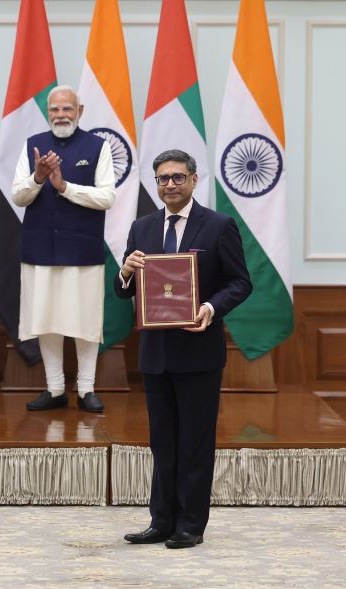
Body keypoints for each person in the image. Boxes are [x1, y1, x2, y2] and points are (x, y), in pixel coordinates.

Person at [116, 149, 252, 549]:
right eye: (163, 178)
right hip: (155, 354)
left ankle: (191, 524)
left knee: (194, 441)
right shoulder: (141, 227)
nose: (170, 184)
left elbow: (240, 282)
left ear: (194, 180)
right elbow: (123, 291)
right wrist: (124, 273)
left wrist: (211, 307)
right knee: (162, 441)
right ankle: (161, 521)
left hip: (199, 352)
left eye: (178, 177)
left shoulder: (219, 226)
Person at [11, 85, 115, 413]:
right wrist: (38, 178)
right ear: (48, 113)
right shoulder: (33, 145)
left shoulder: (98, 146)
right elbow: (18, 196)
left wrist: (65, 187)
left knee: (85, 320)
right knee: (47, 319)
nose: (60, 115)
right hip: (40, 249)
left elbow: (107, 197)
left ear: (79, 111)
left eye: (67, 109)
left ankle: (86, 389)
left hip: (82, 250)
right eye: (54, 110)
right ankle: (55, 388)